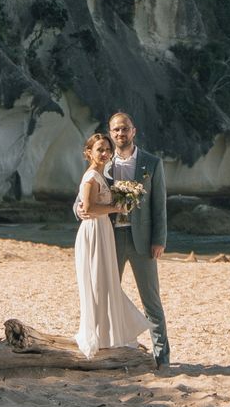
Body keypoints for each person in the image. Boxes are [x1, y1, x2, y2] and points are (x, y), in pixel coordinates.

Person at [76, 110, 170, 367]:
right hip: (110, 239)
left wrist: (159, 239)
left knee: (152, 302)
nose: (120, 133)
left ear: (133, 131)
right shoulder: (103, 164)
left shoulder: (151, 163)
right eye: (116, 129)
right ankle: (110, 353)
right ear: (110, 132)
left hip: (143, 240)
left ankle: (162, 358)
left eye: (125, 129)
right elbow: (83, 199)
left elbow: (159, 205)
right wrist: (79, 211)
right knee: (105, 295)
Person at [73, 132, 150, 358]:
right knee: (97, 284)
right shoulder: (91, 177)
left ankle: (106, 336)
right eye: (100, 149)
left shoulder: (100, 174)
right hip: (94, 233)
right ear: (89, 152)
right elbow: (86, 209)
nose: (105, 153)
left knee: (105, 284)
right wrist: (117, 208)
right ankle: (98, 336)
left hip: (103, 231)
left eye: (107, 149)